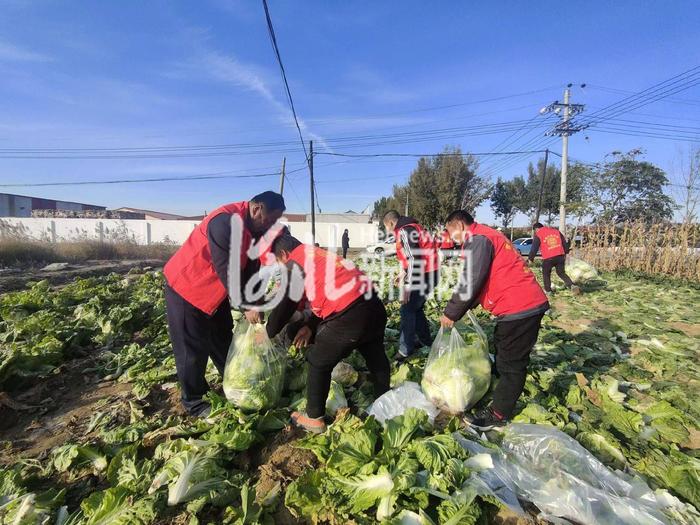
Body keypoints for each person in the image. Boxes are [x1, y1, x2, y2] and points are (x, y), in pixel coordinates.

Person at [163, 191, 286, 417]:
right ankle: (195, 402)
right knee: (192, 350)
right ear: (257, 208)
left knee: (222, 340)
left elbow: (251, 267)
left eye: (274, 222)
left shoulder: (255, 228)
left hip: (214, 294)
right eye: (268, 219)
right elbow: (226, 268)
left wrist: (255, 299)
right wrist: (245, 305)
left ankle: (235, 382)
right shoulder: (225, 222)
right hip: (187, 288)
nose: (270, 225)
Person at [265, 234, 390, 433]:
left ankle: (314, 419)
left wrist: (268, 331)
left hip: (350, 314)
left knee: (318, 361)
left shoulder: (295, 262)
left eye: (278, 262)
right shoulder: (317, 255)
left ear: (283, 254)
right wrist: (310, 326)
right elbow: (325, 296)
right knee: (375, 354)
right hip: (372, 305)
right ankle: (385, 399)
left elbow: (286, 304)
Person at [439, 210, 549, 430]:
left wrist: (452, 313)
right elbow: (481, 280)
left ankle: (498, 414)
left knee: (512, 365)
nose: (453, 241)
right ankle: (497, 387)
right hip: (517, 304)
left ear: (459, 226)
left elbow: (470, 281)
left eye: (453, 235)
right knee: (500, 344)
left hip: (520, 306)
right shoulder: (487, 235)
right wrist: (464, 308)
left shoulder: (478, 240)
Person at [382, 210, 439, 360]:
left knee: (407, 310)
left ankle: (405, 349)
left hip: (424, 275)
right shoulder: (413, 227)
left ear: (391, 223)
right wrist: (404, 273)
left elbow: (415, 258)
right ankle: (425, 340)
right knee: (416, 309)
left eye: (386, 227)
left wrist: (408, 285)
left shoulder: (404, 231)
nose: (387, 231)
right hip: (430, 273)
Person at [529, 223, 580, 295]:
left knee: (546, 273)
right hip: (560, 255)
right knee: (561, 273)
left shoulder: (538, 234)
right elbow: (564, 243)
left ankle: (548, 291)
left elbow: (534, 248)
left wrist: (531, 258)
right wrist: (566, 252)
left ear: (536, 229)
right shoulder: (556, 231)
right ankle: (572, 285)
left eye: (535, 231)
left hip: (548, 257)